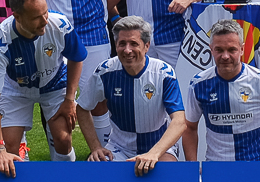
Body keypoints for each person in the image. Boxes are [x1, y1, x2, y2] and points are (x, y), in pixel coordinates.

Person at [0, 0, 88, 173]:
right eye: (36, 17)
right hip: (16, 88)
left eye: (45, 12)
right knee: (10, 147)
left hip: (55, 83)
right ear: (18, 17)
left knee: (63, 140)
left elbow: (76, 58)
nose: (45, 20)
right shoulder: (0, 43)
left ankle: (64, 179)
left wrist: (70, 99)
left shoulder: (60, 24)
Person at [76, 16, 187, 171]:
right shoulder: (104, 71)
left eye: (134, 44)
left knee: (168, 174)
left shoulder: (164, 73)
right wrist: (95, 147)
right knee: (97, 174)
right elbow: (82, 107)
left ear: (146, 46)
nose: (127, 50)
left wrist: (153, 154)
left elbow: (180, 121)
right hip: (119, 148)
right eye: (122, 44)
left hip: (158, 147)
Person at [185, 20, 260, 162]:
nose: (225, 56)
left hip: (258, 163)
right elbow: (189, 128)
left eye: (232, 50)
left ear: (242, 49)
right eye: (219, 50)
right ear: (211, 49)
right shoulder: (198, 84)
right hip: (217, 166)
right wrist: (193, 168)